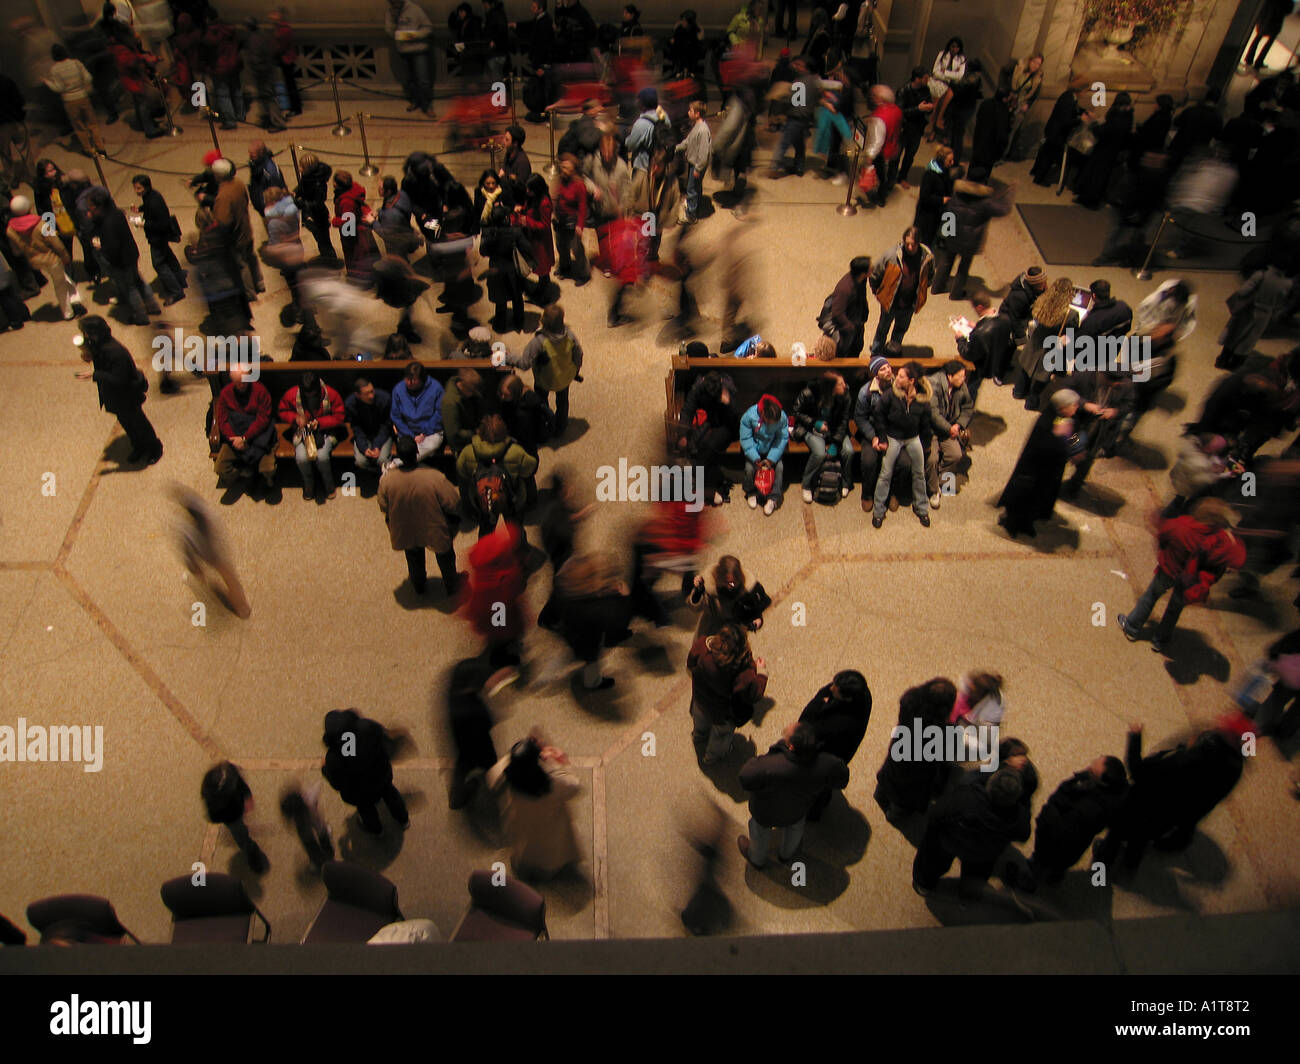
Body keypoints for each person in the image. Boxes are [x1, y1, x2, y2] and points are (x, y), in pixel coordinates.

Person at [1095, 721, 1244, 870]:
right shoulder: (1228, 771)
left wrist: (1135, 737)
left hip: (1138, 808)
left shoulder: (1178, 765)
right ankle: (1128, 868)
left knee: (1116, 834)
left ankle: (1101, 867)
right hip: (1161, 820)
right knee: (1139, 841)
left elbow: (1139, 772)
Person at [1118, 498, 1246, 655]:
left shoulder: (1183, 526)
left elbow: (1162, 533)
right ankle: (1159, 640)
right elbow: (1238, 557)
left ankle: (1132, 627)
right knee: (1175, 609)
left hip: (1169, 569)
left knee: (1151, 596)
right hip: (1190, 581)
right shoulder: (1219, 539)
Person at [738, 721, 849, 868]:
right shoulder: (827, 764)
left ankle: (757, 859)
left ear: (791, 746)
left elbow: (745, 778)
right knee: (795, 829)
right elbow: (842, 779)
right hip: (798, 809)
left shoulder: (769, 765)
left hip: (765, 812)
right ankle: (786, 855)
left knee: (760, 834)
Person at [912, 766, 1030, 898]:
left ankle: (924, 885)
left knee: (932, 858)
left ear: (989, 785)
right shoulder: (1018, 819)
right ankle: (967, 898)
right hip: (984, 854)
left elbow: (935, 814)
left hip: (951, 842)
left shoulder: (966, 798)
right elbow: (1024, 836)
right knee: (975, 878)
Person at [1018, 755, 1128, 889]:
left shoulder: (1084, 810)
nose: (1087, 768)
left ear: (1102, 783)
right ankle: (1055, 875)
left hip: (1053, 847)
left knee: (1042, 863)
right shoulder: (1117, 795)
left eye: (1091, 771)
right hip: (1075, 850)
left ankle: (1029, 882)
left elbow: (1054, 826)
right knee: (1060, 864)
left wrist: (1044, 815)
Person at [487, 734, 582, 880]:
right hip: (547, 835)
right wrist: (555, 760)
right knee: (549, 855)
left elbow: (493, 774)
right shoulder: (550, 787)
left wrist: (527, 752)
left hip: (520, 829)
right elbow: (575, 785)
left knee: (524, 847)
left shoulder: (507, 775)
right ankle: (546, 874)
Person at [378, 433, 462, 595]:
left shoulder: (387, 481)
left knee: (413, 556)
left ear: (398, 456)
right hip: (434, 527)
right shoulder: (434, 477)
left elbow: (383, 506)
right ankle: (452, 586)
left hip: (405, 527)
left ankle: (419, 586)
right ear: (417, 451)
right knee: (445, 556)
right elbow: (453, 503)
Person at [75, 314, 161, 464]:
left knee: (139, 423)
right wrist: (89, 355)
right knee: (127, 424)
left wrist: (95, 374)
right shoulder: (99, 345)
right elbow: (97, 357)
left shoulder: (116, 352)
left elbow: (119, 379)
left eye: (87, 332)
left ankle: (154, 447)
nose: (85, 335)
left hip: (126, 395)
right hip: (115, 396)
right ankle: (138, 446)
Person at [996, 387, 1082, 539]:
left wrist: (1075, 446)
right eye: (1073, 405)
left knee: (1039, 500)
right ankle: (1012, 525)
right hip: (1034, 472)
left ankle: (1028, 523)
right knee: (1023, 501)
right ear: (1063, 407)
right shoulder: (1045, 422)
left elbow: (1073, 435)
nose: (1076, 408)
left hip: (1050, 472)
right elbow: (1042, 449)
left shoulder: (1068, 419)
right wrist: (1058, 439)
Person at [321, 708, 410, 835]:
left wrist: (325, 770)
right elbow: (385, 742)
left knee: (367, 810)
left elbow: (336, 784)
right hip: (381, 776)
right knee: (391, 795)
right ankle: (403, 819)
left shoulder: (333, 759)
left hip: (359, 792)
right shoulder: (367, 727)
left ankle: (376, 830)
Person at [688, 622, 767, 764]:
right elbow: (753, 694)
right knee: (721, 736)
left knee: (700, 720)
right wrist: (761, 673)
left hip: (699, 700)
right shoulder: (742, 671)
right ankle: (712, 756)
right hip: (721, 713)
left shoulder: (702, 647)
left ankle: (699, 736)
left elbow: (690, 666)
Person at [867, 360, 933, 528]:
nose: (897, 378)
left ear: (912, 381)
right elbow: (879, 415)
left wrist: (926, 444)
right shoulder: (891, 394)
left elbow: (926, 423)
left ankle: (921, 508)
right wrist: (882, 438)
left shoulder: (923, 399)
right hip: (893, 436)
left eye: (902, 376)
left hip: (913, 437)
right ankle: (878, 511)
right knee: (885, 473)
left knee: (919, 472)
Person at [798, 670, 871, 819]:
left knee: (817, 788)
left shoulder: (842, 725)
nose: (831, 688)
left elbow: (807, 725)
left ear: (847, 698)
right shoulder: (862, 695)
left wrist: (819, 702)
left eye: (835, 689)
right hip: (836, 755)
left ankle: (813, 812)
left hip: (826, 757)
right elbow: (826, 690)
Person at [552, 551, 630, 690]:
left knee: (568, 655)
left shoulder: (564, 588)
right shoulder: (594, 608)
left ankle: (546, 676)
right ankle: (593, 683)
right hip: (589, 643)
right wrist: (622, 596)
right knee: (591, 664)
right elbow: (616, 620)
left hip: (570, 633)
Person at [931, 176, 1014, 301]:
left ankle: (936, 287)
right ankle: (956, 294)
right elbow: (1003, 210)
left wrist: (945, 234)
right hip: (970, 241)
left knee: (946, 262)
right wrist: (1009, 193)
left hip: (953, 235)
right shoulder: (984, 202)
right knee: (963, 267)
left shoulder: (957, 195)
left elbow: (948, 214)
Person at [86, 187, 161, 325]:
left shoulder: (106, 223)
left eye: (91, 206)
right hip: (131, 253)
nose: (88, 209)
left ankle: (141, 316)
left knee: (130, 288)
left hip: (121, 261)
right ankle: (153, 307)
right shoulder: (116, 213)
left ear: (99, 206)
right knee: (139, 281)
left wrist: (101, 246)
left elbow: (112, 248)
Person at [506, 302, 583, 436]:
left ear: (543, 321)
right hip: (565, 377)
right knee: (563, 402)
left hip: (544, 379)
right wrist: (575, 370)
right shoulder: (570, 335)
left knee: (541, 401)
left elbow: (524, 364)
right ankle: (560, 427)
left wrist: (506, 357)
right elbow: (579, 354)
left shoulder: (539, 342)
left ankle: (545, 423)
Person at [455, 412, 539, 535]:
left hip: (483, 499)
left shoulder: (468, 452)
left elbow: (461, 470)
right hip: (512, 499)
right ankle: (520, 549)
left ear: (480, 432)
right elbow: (530, 468)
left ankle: (486, 552)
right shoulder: (515, 452)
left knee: (486, 530)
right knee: (515, 530)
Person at [6, 194, 80, 320]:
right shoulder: (42, 224)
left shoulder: (10, 230)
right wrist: (65, 256)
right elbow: (57, 244)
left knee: (61, 279)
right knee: (60, 284)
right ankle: (68, 312)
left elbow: (16, 252)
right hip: (52, 260)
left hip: (34, 261)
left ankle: (73, 298)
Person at [1012, 276, 1080, 411]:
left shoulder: (1041, 302)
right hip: (1051, 347)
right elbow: (1071, 335)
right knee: (1042, 377)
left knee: (1026, 368)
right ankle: (1031, 402)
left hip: (1036, 341)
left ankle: (1018, 392)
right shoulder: (1071, 314)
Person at [278, 369, 345, 500]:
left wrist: (320, 423)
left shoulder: (330, 394)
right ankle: (308, 482)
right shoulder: (292, 394)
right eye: (306, 394)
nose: (309, 397)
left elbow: (339, 416)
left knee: (323, 457)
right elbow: (282, 411)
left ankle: (328, 482)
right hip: (303, 432)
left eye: (312, 394)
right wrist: (295, 418)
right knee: (302, 458)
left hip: (326, 432)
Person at [869, 227, 934, 355]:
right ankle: (876, 354)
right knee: (882, 329)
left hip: (910, 304)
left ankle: (892, 352)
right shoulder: (891, 255)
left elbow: (930, 277)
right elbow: (875, 274)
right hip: (890, 303)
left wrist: (920, 292)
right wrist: (877, 292)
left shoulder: (927, 258)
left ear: (918, 243)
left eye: (913, 245)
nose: (909, 247)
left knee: (900, 330)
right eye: (907, 243)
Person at [1217, 260, 1292, 370]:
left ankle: (1223, 360)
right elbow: (1281, 303)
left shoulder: (1261, 275)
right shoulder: (1287, 284)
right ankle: (1235, 364)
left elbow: (1243, 291)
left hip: (1248, 309)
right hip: (1265, 314)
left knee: (1235, 334)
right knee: (1250, 339)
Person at [792, 370, 853, 503]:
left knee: (848, 451)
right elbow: (797, 412)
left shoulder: (845, 395)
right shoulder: (809, 393)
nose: (845, 386)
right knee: (819, 453)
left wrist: (836, 443)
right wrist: (816, 423)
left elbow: (843, 420)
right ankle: (806, 484)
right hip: (811, 428)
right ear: (831, 387)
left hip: (835, 429)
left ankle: (846, 482)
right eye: (841, 384)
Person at [212, 364, 276, 489]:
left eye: (244, 381)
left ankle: (265, 479)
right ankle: (245, 475)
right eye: (237, 382)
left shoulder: (260, 390)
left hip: (259, 436)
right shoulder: (226, 393)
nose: (241, 385)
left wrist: (245, 438)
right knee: (220, 468)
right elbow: (222, 420)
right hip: (235, 437)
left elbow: (263, 419)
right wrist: (233, 438)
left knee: (268, 468)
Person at [479, 201, 536, 332]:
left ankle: (500, 324)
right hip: (512, 270)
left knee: (500, 299)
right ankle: (518, 321)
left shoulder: (488, 233)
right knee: (517, 297)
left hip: (495, 269)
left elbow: (483, 251)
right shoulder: (515, 232)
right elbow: (527, 248)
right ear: (506, 218)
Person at [201, 761, 267, 873]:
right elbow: (214, 815)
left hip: (234, 810)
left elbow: (241, 784)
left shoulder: (228, 774)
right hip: (231, 816)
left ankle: (250, 849)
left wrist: (247, 797)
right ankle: (250, 850)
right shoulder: (213, 794)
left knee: (240, 833)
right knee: (240, 835)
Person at [212, 158, 263, 303]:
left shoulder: (223, 196)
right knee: (251, 257)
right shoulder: (238, 183)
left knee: (242, 265)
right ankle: (259, 283)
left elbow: (223, 222)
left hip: (236, 238)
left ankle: (249, 293)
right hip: (246, 228)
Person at [1073, 92, 1133, 209]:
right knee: (1100, 175)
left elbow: (1107, 131)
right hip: (1112, 150)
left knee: (1095, 175)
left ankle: (1089, 199)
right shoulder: (1127, 116)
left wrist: (1093, 124)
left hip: (1105, 149)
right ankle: (1089, 198)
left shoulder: (1118, 116)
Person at [926, 360, 973, 509]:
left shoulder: (961, 386)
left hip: (951, 427)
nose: (963, 379)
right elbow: (933, 415)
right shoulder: (933, 384)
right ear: (949, 376)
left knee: (956, 455)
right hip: (932, 429)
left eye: (964, 376)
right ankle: (933, 491)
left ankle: (942, 481)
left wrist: (959, 425)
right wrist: (950, 428)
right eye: (960, 376)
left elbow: (967, 408)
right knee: (931, 459)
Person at [132, 175, 185, 306]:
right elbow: (148, 206)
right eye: (135, 188)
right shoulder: (151, 196)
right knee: (169, 258)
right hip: (159, 236)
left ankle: (176, 291)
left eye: (139, 188)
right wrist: (140, 209)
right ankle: (180, 280)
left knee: (159, 264)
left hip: (158, 237)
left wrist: (144, 224)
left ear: (146, 186)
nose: (136, 191)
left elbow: (162, 224)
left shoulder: (154, 201)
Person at [44, 44, 104, 156]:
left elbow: (58, 88)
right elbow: (88, 78)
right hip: (83, 96)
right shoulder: (76, 63)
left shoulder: (54, 70)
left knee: (79, 126)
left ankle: (88, 149)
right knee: (92, 123)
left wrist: (47, 82)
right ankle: (100, 147)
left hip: (69, 100)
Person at [1031, 76, 1089, 186]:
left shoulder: (1068, 96)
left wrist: (1083, 111)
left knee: (1046, 151)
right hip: (1056, 132)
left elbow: (1074, 109)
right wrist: (1080, 120)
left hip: (1053, 129)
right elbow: (1066, 120)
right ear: (1080, 90)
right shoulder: (1068, 99)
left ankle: (1035, 171)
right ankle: (1039, 178)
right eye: (1085, 90)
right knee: (1049, 155)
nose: (1085, 93)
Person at [740, 394, 789, 515]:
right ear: (762, 414)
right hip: (754, 449)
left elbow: (782, 438)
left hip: (772, 449)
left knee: (779, 468)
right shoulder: (750, 416)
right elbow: (746, 439)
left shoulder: (782, 417)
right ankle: (751, 492)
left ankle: (773, 497)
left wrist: (771, 459)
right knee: (750, 469)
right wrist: (755, 458)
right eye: (769, 422)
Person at [390, 360, 445, 463]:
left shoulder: (436, 388)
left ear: (422, 380)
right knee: (406, 448)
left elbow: (439, 414)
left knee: (432, 445)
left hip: (430, 432)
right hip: (407, 432)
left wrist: (424, 433)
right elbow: (395, 416)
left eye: (413, 380)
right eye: (407, 379)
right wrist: (411, 436)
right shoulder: (398, 389)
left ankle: (397, 463)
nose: (409, 382)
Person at [386, 0, 435, 115]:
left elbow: (428, 27)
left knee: (423, 80)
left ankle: (427, 105)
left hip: (418, 50)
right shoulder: (390, 12)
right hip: (403, 51)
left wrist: (413, 35)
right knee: (409, 80)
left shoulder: (415, 9)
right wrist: (394, 22)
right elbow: (388, 30)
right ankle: (415, 101)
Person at [958, 289, 1014, 387]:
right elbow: (994, 331)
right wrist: (977, 326)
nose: (973, 310)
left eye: (973, 307)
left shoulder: (980, 334)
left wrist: (960, 339)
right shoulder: (1006, 318)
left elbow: (967, 354)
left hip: (981, 367)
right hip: (996, 360)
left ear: (979, 307)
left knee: (972, 387)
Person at [819, 256, 872, 358]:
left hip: (856, 319)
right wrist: (849, 327)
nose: (872, 269)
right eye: (870, 268)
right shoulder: (845, 288)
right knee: (843, 351)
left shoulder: (862, 279)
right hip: (845, 325)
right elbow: (837, 313)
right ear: (863, 273)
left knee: (857, 346)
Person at [551, 153, 590, 284]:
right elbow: (555, 197)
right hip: (560, 219)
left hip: (572, 221)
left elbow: (582, 207)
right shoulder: (560, 180)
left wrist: (580, 225)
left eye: (567, 168)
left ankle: (583, 273)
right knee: (561, 246)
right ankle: (565, 267)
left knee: (576, 248)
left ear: (573, 169)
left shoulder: (579, 185)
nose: (564, 171)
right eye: (562, 168)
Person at [244, 17, 287, 131]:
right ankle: (269, 119)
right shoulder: (263, 35)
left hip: (263, 74)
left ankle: (278, 122)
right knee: (266, 98)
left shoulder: (253, 39)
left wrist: (257, 72)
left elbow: (255, 58)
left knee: (269, 98)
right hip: (268, 70)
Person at [345, 377, 395, 474]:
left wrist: (377, 445)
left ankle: (384, 479)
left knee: (382, 460)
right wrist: (364, 448)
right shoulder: (351, 404)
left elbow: (386, 425)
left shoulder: (384, 399)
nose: (371, 395)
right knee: (360, 461)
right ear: (358, 395)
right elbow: (356, 428)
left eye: (372, 391)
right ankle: (374, 476)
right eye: (367, 394)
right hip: (364, 434)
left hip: (382, 434)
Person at [912, 146, 954, 249]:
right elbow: (924, 197)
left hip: (939, 211)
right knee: (924, 240)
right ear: (942, 161)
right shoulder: (930, 175)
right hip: (927, 215)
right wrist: (941, 200)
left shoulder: (946, 171)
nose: (952, 163)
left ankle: (941, 240)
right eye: (950, 161)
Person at [926, 37, 966, 138]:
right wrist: (951, 74)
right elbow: (936, 71)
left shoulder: (961, 59)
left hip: (951, 85)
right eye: (953, 46)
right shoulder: (942, 54)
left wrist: (946, 72)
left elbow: (959, 76)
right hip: (938, 82)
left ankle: (937, 125)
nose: (954, 49)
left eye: (957, 47)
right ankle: (932, 127)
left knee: (943, 105)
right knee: (935, 104)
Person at [678, 99, 711, 223]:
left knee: (691, 189)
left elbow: (703, 153)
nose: (688, 112)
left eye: (690, 110)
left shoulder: (702, 130)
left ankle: (691, 215)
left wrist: (698, 169)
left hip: (697, 165)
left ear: (697, 114)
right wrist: (676, 148)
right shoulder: (696, 126)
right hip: (694, 164)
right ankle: (696, 205)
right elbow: (688, 141)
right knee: (695, 187)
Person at [999, 265, 1045, 343]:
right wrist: (1022, 337)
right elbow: (1014, 318)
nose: (1044, 285)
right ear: (1035, 284)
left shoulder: (1036, 290)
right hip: (1007, 325)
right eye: (1041, 283)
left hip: (1023, 319)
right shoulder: (1020, 296)